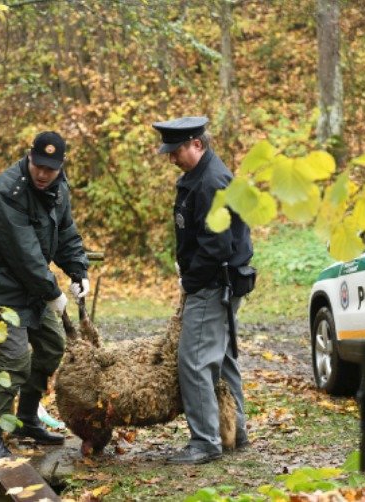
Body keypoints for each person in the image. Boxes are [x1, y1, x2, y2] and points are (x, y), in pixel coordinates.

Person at [0, 130, 90, 461]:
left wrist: (79, 271)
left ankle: (26, 418)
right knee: (15, 360)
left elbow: (65, 234)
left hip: (30, 289)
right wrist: (53, 292)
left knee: (52, 346)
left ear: (60, 166)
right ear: (29, 156)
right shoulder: (7, 190)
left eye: (50, 168)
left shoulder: (59, 189)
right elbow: (24, 253)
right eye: (38, 165)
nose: (42, 173)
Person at [152, 116, 253, 465]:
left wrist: (190, 281)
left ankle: (205, 441)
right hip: (218, 280)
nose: (171, 159)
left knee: (193, 361)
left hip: (213, 284)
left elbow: (216, 246)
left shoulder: (210, 182)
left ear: (197, 144)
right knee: (221, 357)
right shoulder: (200, 176)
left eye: (176, 150)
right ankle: (234, 431)